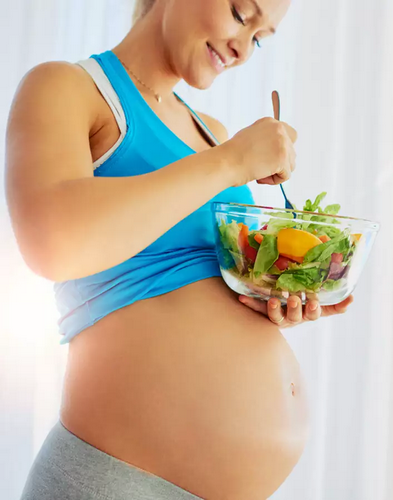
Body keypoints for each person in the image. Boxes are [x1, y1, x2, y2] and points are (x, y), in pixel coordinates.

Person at [6, 0, 354, 498]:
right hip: (117, 480)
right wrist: (232, 161)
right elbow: (52, 243)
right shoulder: (68, 88)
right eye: (240, 13)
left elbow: (199, 281)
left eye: (259, 38)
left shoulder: (211, 133)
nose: (242, 48)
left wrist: (268, 294)